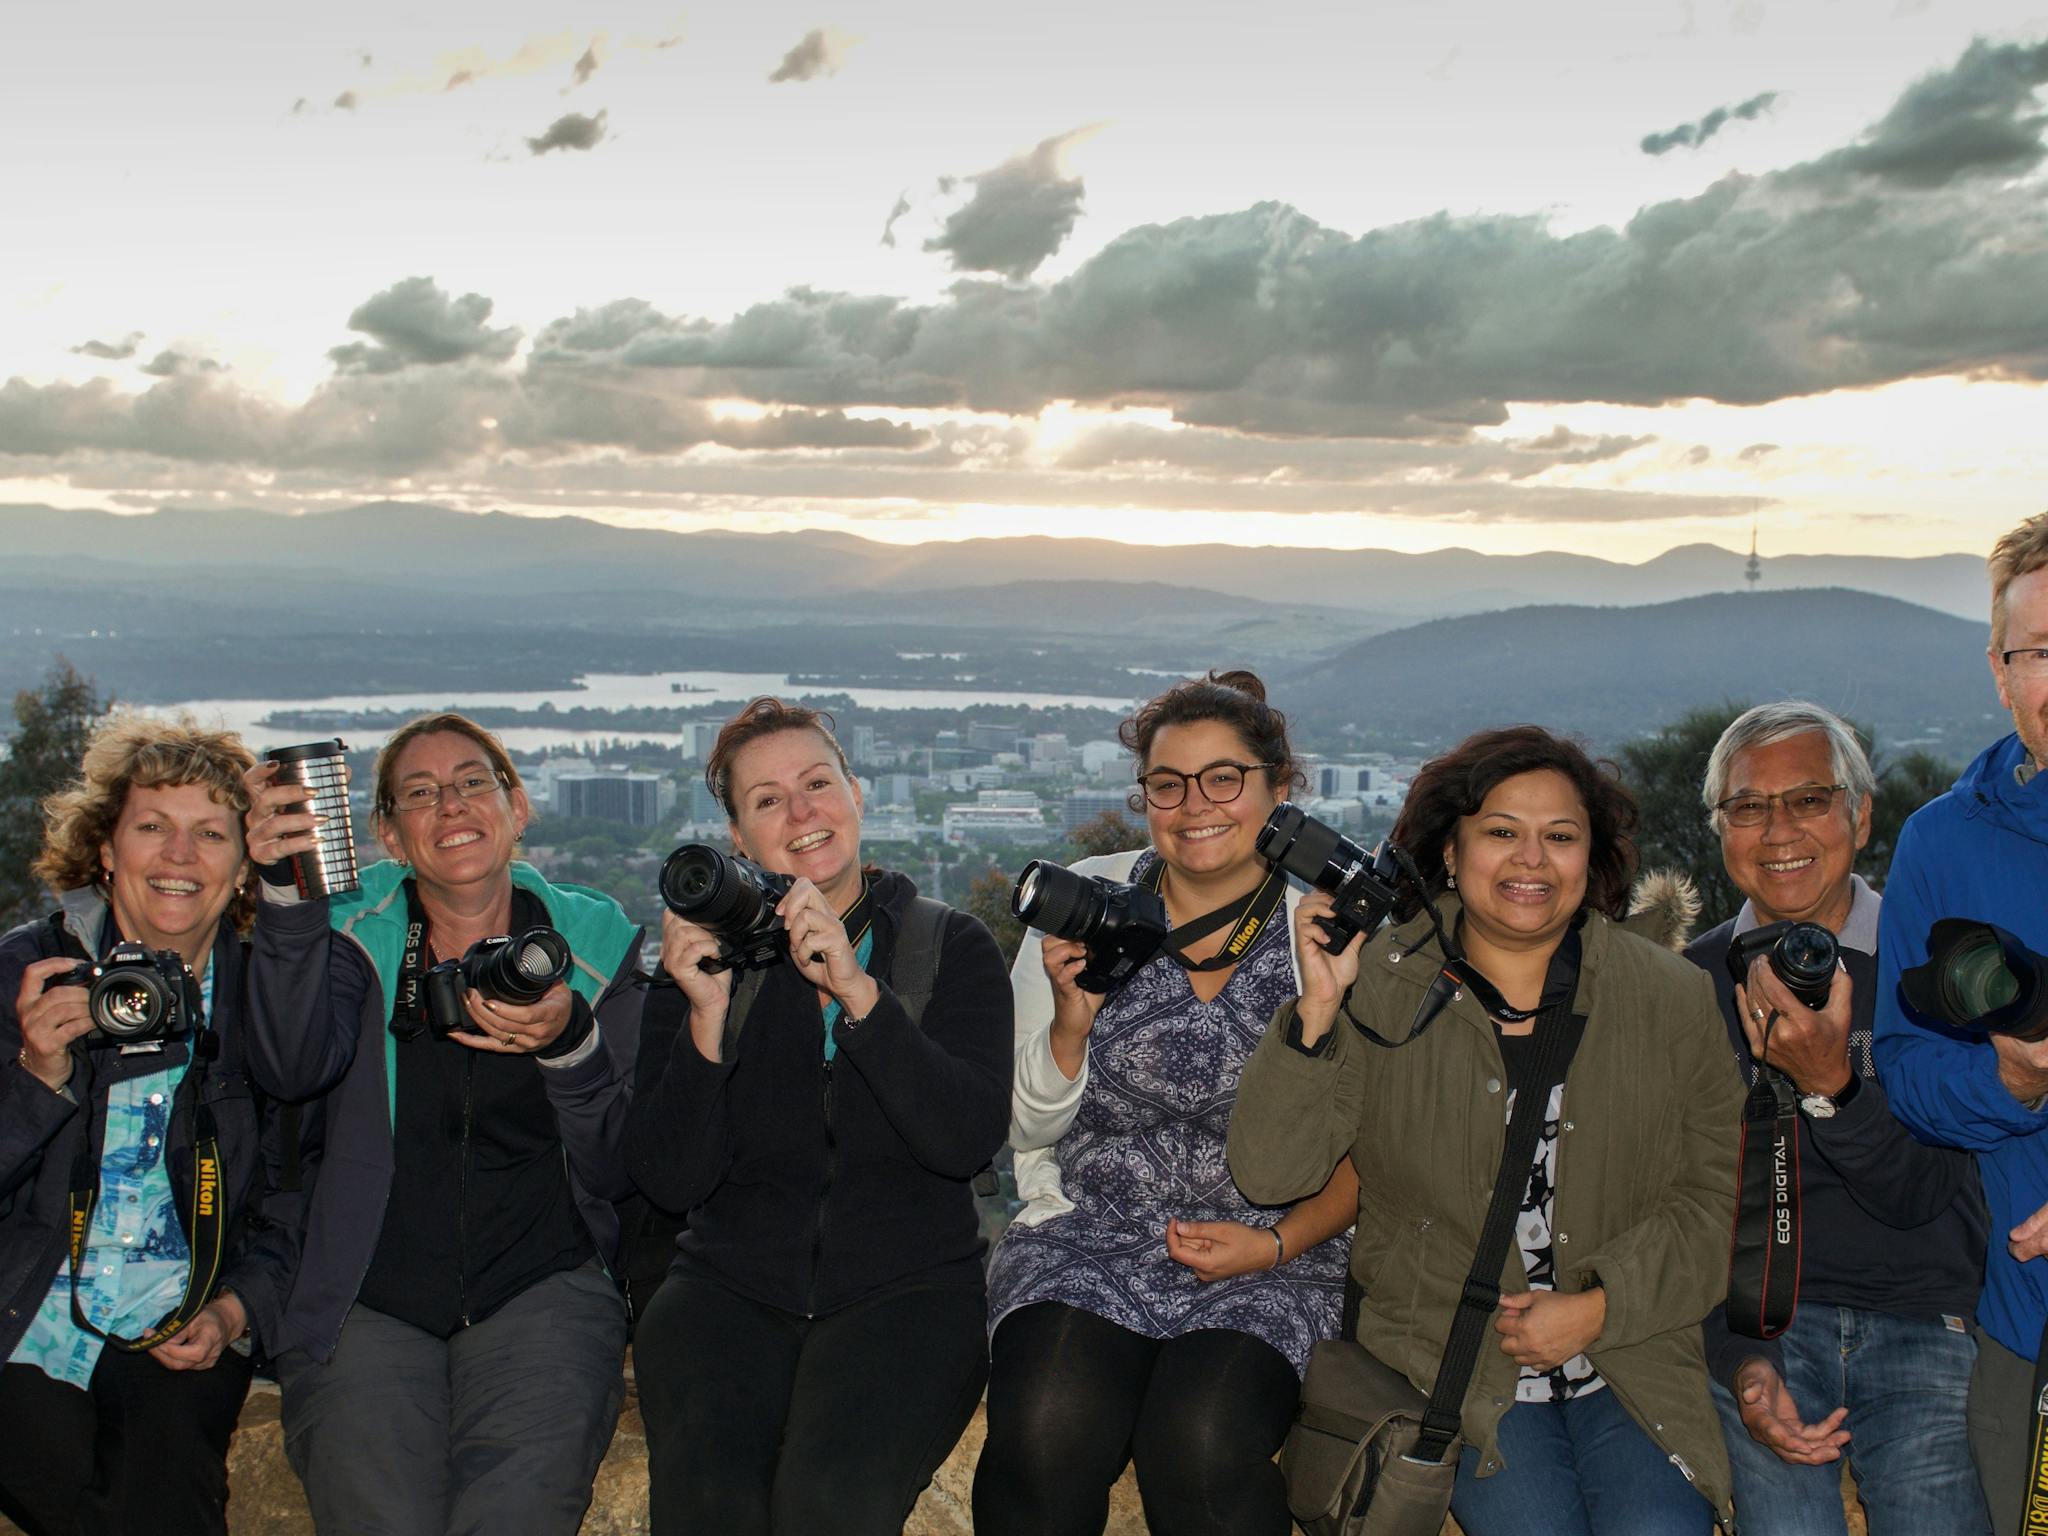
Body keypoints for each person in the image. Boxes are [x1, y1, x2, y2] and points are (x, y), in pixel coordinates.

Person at [1229, 725, 1745, 1536]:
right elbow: (1269, 1172)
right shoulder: (1384, 987)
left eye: (1560, 837)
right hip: (1454, 1366)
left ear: (1591, 858)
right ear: (1450, 850)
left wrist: (1601, 1306)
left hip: (1632, 1353)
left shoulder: (1669, 996)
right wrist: (1319, 1008)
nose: (1531, 860)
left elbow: (1718, 1197)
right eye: (1502, 832)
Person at [973, 670, 1358, 1536]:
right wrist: (1070, 1025)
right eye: (1168, 784)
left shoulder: (1328, 927)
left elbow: (1374, 1151)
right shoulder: (1087, 900)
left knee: (1201, 1444)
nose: (1195, 806)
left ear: (1280, 789)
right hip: (1093, 1231)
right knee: (1043, 1428)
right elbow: (1019, 1127)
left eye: (1225, 779)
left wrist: (1275, 1244)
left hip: (1277, 1248)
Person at [241, 711, 642, 1536]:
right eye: (419, 794)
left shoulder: (596, 942)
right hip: (367, 1291)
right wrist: (285, 895)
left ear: (517, 807)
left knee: (517, 1512)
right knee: (377, 1515)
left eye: (471, 783)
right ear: (389, 835)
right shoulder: (350, 934)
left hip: (545, 1283)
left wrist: (570, 1045)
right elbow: (289, 1068)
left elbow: (621, 1167)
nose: (451, 805)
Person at [624, 696, 1011, 1536]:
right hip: (727, 1287)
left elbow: (964, 1139)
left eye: (817, 783)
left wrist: (861, 996)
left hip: (910, 1291)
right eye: (768, 800)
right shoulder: (705, 964)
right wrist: (705, 1020)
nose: (801, 813)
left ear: (856, 793)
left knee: (829, 1508)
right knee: (709, 1507)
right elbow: (668, 1178)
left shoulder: (948, 946)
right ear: (738, 837)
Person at [1688, 702, 1988, 1535]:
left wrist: (1831, 1085)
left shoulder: (1935, 968)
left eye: (1809, 799)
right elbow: (1680, 1208)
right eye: (1749, 806)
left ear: (1860, 815)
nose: (1778, 829)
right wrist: (1741, 1362)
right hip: (1759, 1327)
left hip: (1923, 1317)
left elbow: (1924, 1192)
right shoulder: (1688, 985)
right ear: (1720, 829)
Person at [0, 716, 301, 1536]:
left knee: (165, 1465)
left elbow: (302, 1191)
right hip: (25, 1308)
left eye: (210, 833)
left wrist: (235, 1309)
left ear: (244, 865)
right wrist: (37, 1076)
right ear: (105, 849)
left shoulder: (270, 998)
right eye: (152, 827)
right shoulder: (26, 973)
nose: (179, 855)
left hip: (181, 1316)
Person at [1873, 511, 2048, 1534]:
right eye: (2040, 651)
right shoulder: (1942, 844)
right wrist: (2009, 1083)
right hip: (2025, 1321)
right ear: (1998, 671)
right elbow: (1905, 1071)